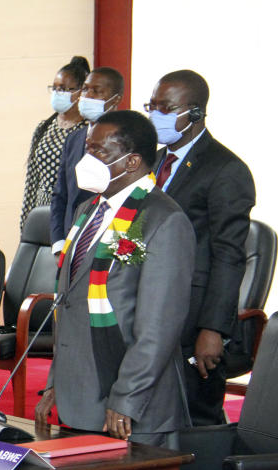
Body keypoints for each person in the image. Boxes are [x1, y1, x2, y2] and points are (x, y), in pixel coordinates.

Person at [35, 110, 195, 447]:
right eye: (87, 149)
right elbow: (70, 303)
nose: (86, 159)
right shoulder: (88, 210)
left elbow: (158, 328)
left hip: (131, 409)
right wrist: (55, 382)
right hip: (78, 397)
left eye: (99, 152)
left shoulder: (163, 221)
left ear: (132, 161)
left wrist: (126, 397)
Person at [146, 70, 256, 426]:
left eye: (165, 107)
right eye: (152, 106)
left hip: (193, 317)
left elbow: (229, 256)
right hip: (151, 306)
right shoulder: (153, 161)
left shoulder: (226, 169)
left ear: (194, 113)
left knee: (195, 419)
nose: (155, 115)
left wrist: (213, 329)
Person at [49, 66, 124, 254]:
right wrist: (58, 243)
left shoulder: (125, 141)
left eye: (96, 91)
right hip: (68, 243)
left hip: (102, 245)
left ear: (116, 99)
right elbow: (60, 195)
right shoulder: (75, 138)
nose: (87, 95)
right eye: (85, 89)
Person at [19, 56, 89, 230]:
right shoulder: (44, 127)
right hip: (41, 211)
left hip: (70, 213)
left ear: (80, 92)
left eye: (64, 89)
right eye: (55, 88)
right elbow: (32, 179)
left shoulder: (87, 130)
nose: (58, 93)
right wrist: (26, 222)